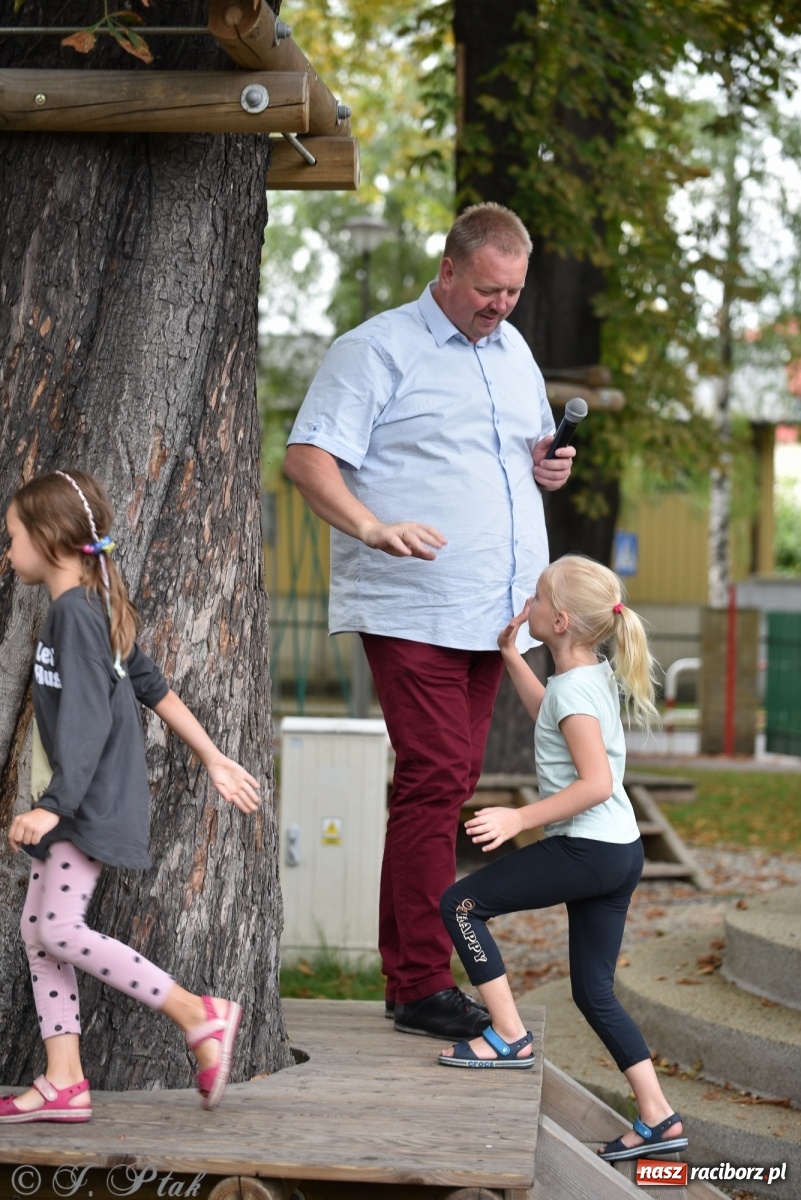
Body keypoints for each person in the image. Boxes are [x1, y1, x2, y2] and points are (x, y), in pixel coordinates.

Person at [284, 202, 575, 1041]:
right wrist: (372, 526)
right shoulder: (375, 349)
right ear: (446, 270)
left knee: (447, 781)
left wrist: (544, 469)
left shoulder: (512, 351)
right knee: (435, 778)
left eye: (513, 292)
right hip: (416, 607)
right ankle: (416, 981)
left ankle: (419, 972)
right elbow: (308, 458)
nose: (500, 306)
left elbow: (507, 459)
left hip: (497, 611)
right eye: (487, 289)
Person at [1, 470, 261, 1123]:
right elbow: (153, 686)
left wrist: (52, 805)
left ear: (50, 539)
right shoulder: (89, 609)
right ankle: (64, 1079)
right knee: (39, 931)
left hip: (82, 802)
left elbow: (87, 721)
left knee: (57, 927)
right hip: (79, 796)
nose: (7, 553)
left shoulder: (74, 617)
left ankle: (196, 1013)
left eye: (12, 538)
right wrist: (212, 756)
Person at [438, 555, 688, 1163]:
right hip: (619, 850)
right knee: (594, 992)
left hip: (589, 847)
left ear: (561, 618)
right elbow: (549, 714)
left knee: (461, 905)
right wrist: (510, 657)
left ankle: (509, 1035)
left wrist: (519, 817)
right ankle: (659, 1116)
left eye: (540, 592)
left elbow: (596, 781)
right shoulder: (586, 675)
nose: (531, 596)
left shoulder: (576, 691)